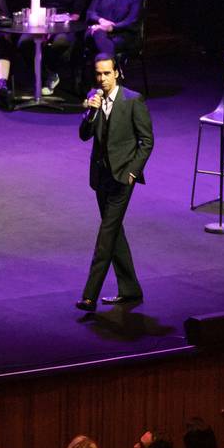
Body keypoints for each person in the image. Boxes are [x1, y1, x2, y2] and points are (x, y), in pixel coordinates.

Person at [75, 52, 152, 314]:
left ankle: (89, 295)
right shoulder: (94, 97)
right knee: (115, 231)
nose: (102, 78)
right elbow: (84, 136)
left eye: (107, 73)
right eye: (98, 73)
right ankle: (130, 288)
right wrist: (89, 113)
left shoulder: (133, 100)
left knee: (106, 234)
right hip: (101, 177)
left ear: (117, 72)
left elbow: (147, 141)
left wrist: (133, 172)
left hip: (122, 178)